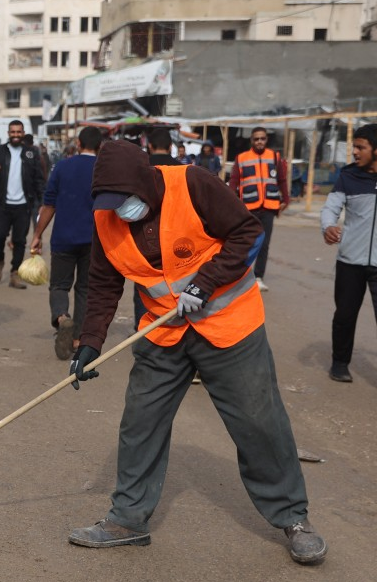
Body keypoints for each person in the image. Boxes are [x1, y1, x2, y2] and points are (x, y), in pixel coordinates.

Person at [66, 139, 325, 565]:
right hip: (163, 331)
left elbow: (247, 232)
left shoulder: (193, 184)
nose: (120, 209)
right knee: (140, 423)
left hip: (229, 327)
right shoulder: (107, 217)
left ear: (146, 184)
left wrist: (205, 283)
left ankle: (294, 519)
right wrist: (89, 341)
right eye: (111, 202)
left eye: (126, 199)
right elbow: (103, 282)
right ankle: (127, 520)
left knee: (259, 422)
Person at [30, 126, 101, 360]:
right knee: (85, 288)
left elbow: (49, 205)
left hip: (63, 238)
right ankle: (78, 338)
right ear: (99, 146)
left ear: (78, 144)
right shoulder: (102, 169)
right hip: (93, 240)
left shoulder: (62, 166)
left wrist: (38, 234)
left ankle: (62, 318)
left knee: (59, 285)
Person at [320, 124, 377, 383]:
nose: (354, 152)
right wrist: (328, 226)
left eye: (360, 147)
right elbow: (331, 207)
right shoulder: (348, 176)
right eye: (355, 146)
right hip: (350, 261)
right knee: (344, 315)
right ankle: (339, 363)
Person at [229, 126, 288, 292]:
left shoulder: (275, 157)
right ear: (251, 140)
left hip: (269, 207)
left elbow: (282, 180)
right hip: (249, 207)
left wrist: (286, 199)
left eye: (262, 138)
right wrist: (232, 203)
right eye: (256, 139)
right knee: (246, 243)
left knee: (264, 244)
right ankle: (240, 276)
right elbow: (234, 182)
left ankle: (258, 277)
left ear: (266, 139)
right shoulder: (242, 158)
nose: (259, 141)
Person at [0, 120, 46, 289]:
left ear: (23, 133)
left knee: (20, 241)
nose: (15, 135)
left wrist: (42, 201)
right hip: (2, 204)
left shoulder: (31, 153)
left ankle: (15, 274)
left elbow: (39, 179)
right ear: (8, 133)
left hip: (23, 205)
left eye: (18, 132)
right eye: (12, 132)